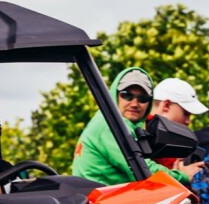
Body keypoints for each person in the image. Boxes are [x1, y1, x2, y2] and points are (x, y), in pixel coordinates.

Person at [73, 67, 202, 185]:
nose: (135, 103)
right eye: (127, 95)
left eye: (143, 98)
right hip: (100, 202)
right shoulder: (111, 125)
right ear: (115, 95)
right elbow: (143, 170)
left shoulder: (125, 124)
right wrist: (183, 175)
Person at [149, 78, 208, 169]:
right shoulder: (144, 135)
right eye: (186, 113)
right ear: (166, 106)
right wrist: (181, 175)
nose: (188, 121)